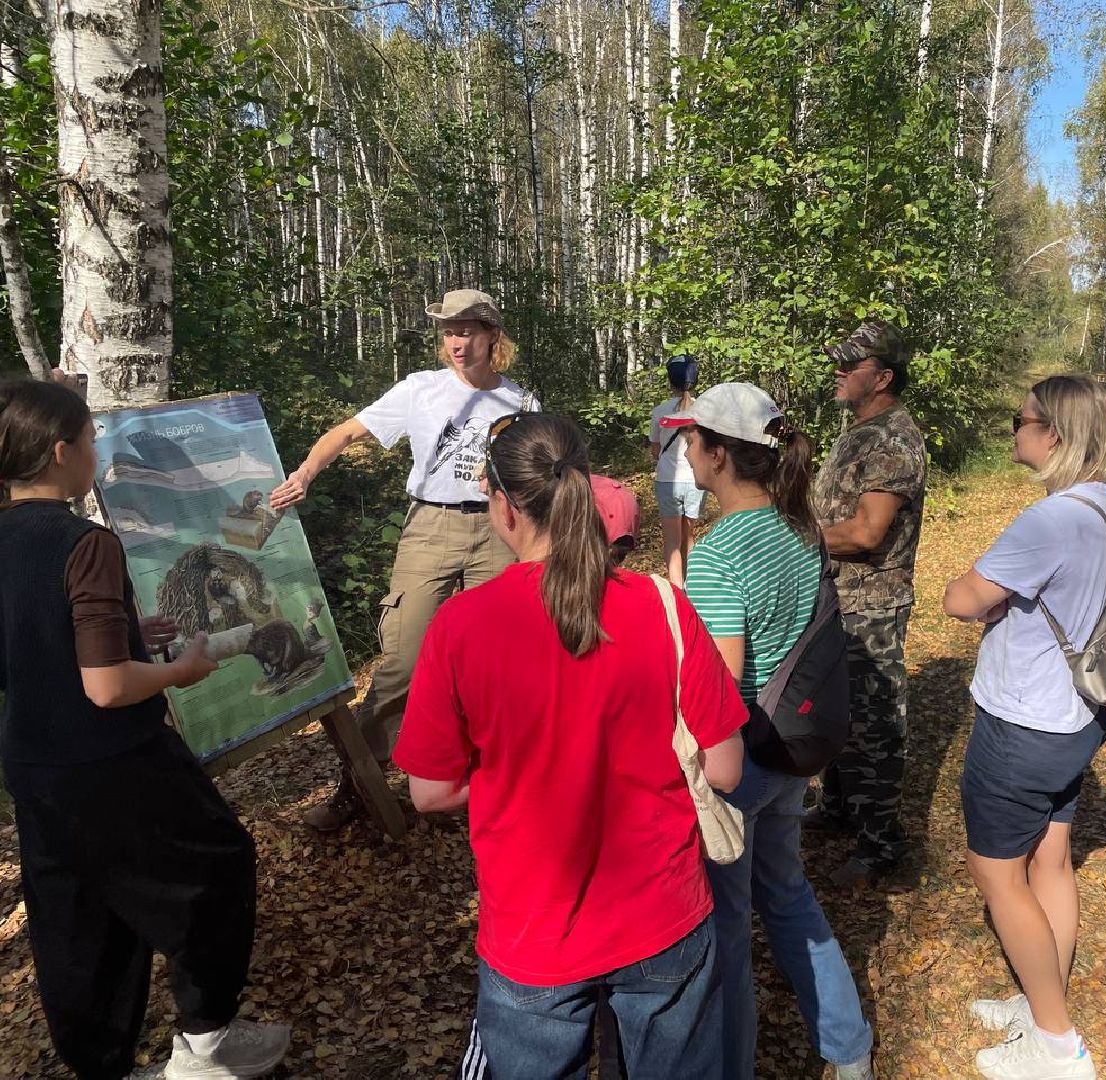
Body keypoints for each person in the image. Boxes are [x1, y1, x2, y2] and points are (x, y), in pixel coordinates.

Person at [393, 412, 746, 1080]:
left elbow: (430, 792)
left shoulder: (460, 626)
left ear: (503, 507)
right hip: (665, 919)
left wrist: (518, 774)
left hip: (532, 934)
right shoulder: (665, 606)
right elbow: (724, 768)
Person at [0, 379, 290, 1080]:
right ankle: (206, 1046)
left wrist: (130, 630)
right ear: (63, 450)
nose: (95, 449)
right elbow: (106, 686)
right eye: (91, 439)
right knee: (217, 869)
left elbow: (30, 643)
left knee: (76, 917)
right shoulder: (85, 542)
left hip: (35, 765)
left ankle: (102, 1067)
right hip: (116, 757)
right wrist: (179, 670)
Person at [661, 383, 875, 1080]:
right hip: (793, 750)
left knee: (725, 931)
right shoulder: (800, 528)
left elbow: (715, 692)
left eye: (693, 442)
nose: (685, 453)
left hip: (743, 761)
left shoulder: (720, 555)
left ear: (720, 455)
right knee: (786, 893)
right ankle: (849, 1052)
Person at [270, 289, 538, 831]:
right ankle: (359, 783)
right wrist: (303, 474)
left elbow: (543, 472)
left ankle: (483, 784)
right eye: (448, 333)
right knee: (405, 659)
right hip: (431, 527)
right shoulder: (421, 390)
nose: (456, 344)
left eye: (466, 331)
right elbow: (345, 432)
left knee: (499, 660)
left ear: (492, 336)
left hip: (498, 527)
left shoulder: (521, 404)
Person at [942, 374, 1106, 1080]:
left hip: (1024, 723)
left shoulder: (1048, 521)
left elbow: (962, 599)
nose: (1011, 431)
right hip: (1076, 717)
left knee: (994, 870)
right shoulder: (1104, 506)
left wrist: (988, 600)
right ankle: (1042, 1002)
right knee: (1050, 858)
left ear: (1054, 432)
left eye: (1019, 421)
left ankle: (1056, 1042)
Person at [811, 319, 927, 888]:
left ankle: (881, 841)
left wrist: (793, 533)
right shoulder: (859, 430)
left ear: (881, 377)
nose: (837, 371)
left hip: (872, 603)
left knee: (876, 724)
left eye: (849, 365)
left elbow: (865, 533)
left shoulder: (894, 440)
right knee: (837, 711)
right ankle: (838, 808)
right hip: (837, 596)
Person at [650, 355, 707, 586]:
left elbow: (655, 449)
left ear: (670, 381)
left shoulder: (660, 411)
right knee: (689, 538)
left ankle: (677, 592)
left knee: (672, 542)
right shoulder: (703, 409)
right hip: (695, 480)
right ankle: (692, 589)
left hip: (667, 481)